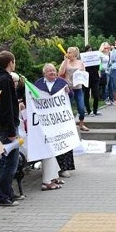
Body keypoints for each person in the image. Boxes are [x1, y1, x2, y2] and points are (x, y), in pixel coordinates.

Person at [33, 63, 76, 191]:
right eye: (49, 71)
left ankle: (64, 168)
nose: (52, 73)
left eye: (54, 71)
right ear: (44, 73)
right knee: (50, 145)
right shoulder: (39, 83)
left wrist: (69, 91)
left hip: (60, 120)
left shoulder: (62, 82)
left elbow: (70, 96)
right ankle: (52, 173)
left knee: (62, 142)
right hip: (46, 121)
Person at [0, 50, 21, 207]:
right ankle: (2, 196)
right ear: (10, 62)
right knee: (10, 163)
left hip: (1, 124)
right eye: (14, 61)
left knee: (7, 161)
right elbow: (7, 106)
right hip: (5, 127)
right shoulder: (5, 80)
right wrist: (11, 131)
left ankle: (8, 192)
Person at [59, 46, 89, 132]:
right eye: (67, 52)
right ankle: (68, 125)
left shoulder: (80, 63)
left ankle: (81, 124)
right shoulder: (65, 62)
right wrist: (65, 61)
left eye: (69, 52)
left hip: (78, 87)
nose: (67, 54)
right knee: (68, 107)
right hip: (68, 88)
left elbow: (84, 74)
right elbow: (60, 73)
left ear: (75, 54)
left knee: (81, 107)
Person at [82, 44, 101, 116]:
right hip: (86, 78)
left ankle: (95, 110)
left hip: (95, 78)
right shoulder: (83, 60)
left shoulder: (95, 59)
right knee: (86, 95)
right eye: (88, 50)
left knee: (96, 95)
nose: (90, 52)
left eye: (91, 50)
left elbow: (99, 67)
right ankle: (88, 110)